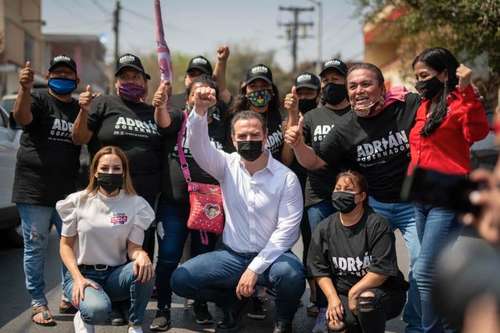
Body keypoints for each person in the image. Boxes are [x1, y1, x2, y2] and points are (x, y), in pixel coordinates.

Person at [285, 62, 423, 332]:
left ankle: (416, 323)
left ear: (382, 88)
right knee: (357, 262)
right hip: (375, 205)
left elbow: (439, 107)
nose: (359, 90)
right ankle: (352, 310)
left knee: (421, 263)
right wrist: (299, 144)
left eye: (366, 84)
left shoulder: (406, 106)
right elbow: (314, 162)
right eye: (353, 86)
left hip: (411, 204)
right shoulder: (346, 128)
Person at [170, 86, 305, 333]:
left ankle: (283, 319)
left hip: (273, 258)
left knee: (292, 275)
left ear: (265, 136)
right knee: (181, 280)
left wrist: (254, 269)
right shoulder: (226, 165)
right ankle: (229, 300)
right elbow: (199, 148)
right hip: (231, 257)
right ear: (232, 139)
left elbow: (287, 232)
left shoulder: (286, 178)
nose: (248, 140)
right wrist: (199, 110)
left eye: (254, 135)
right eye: (242, 136)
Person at [409, 47, 489, 333]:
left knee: (424, 271)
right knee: (432, 269)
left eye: (425, 75)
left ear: (445, 74)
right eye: (416, 76)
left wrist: (466, 90)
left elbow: (477, 133)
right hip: (421, 194)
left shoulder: (461, 102)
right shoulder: (423, 105)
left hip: (448, 192)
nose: (419, 81)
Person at [149, 75, 231, 331]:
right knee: (168, 257)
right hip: (174, 205)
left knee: (204, 259)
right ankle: (163, 308)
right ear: (187, 98)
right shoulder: (177, 117)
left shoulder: (222, 126)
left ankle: (199, 304)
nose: (203, 97)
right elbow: (162, 120)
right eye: (197, 93)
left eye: (208, 94)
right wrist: (160, 105)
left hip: (209, 205)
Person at [12, 55, 82, 325]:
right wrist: (25, 89)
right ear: (48, 76)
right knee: (36, 247)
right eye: (57, 73)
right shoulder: (38, 99)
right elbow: (21, 116)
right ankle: (38, 302)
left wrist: (88, 108)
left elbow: (83, 138)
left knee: (70, 246)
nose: (62, 78)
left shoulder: (79, 108)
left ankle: (68, 295)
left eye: (67, 74)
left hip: (67, 192)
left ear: (76, 80)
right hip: (33, 190)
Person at [72, 53, 164, 258]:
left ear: (146, 82)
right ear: (116, 83)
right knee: (108, 247)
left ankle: (139, 289)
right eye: (124, 77)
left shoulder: (153, 113)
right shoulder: (103, 103)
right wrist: (83, 111)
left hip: (144, 196)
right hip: (108, 194)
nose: (130, 81)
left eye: (135, 76)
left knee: (140, 249)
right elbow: (79, 138)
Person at [284, 60, 352, 331]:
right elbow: (300, 157)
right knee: (321, 253)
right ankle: (325, 309)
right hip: (319, 196)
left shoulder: (356, 114)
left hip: (350, 196)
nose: (331, 84)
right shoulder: (312, 118)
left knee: (350, 253)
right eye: (327, 80)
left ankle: (349, 307)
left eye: (337, 79)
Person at [57, 146, 155, 333]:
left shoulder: (136, 204)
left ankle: (135, 325)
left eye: (117, 168)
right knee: (97, 311)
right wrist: (77, 278)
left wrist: (141, 254)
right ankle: (84, 314)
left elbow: (133, 247)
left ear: (124, 172)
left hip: (115, 276)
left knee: (146, 268)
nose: (110, 173)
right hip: (83, 274)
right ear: (95, 172)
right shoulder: (77, 201)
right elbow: (65, 246)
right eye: (104, 168)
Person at [308, 170, 407, 333]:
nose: (341, 193)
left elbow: (381, 271)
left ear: (361, 196)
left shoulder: (378, 225)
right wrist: (332, 299)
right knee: (336, 324)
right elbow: (318, 269)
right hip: (343, 293)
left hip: (383, 293)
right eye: (338, 188)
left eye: (348, 190)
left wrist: (355, 292)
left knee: (366, 302)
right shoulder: (324, 228)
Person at [231, 64, 290, 164]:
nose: (259, 90)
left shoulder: (278, 114)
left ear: (272, 90)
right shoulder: (238, 118)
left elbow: (286, 160)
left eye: (264, 86)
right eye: (253, 86)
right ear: (245, 91)